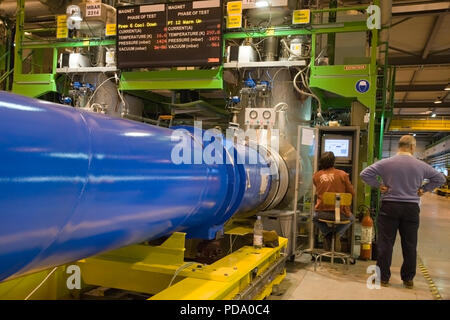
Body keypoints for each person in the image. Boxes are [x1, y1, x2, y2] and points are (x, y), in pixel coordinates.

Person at [360, 135, 445, 289]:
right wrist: (424, 189)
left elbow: (364, 174)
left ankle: (382, 278)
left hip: (389, 206)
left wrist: (379, 185)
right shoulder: (421, 165)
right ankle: (408, 279)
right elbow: (440, 179)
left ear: (398, 147)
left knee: (386, 243)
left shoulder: (386, 163)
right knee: (410, 244)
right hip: (411, 208)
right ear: (412, 147)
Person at [313, 152, 355, 252]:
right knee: (352, 219)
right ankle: (337, 234)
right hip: (341, 214)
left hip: (321, 214)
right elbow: (352, 193)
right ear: (333, 162)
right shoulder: (343, 174)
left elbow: (318, 191)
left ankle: (327, 233)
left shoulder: (316, 176)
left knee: (313, 217)